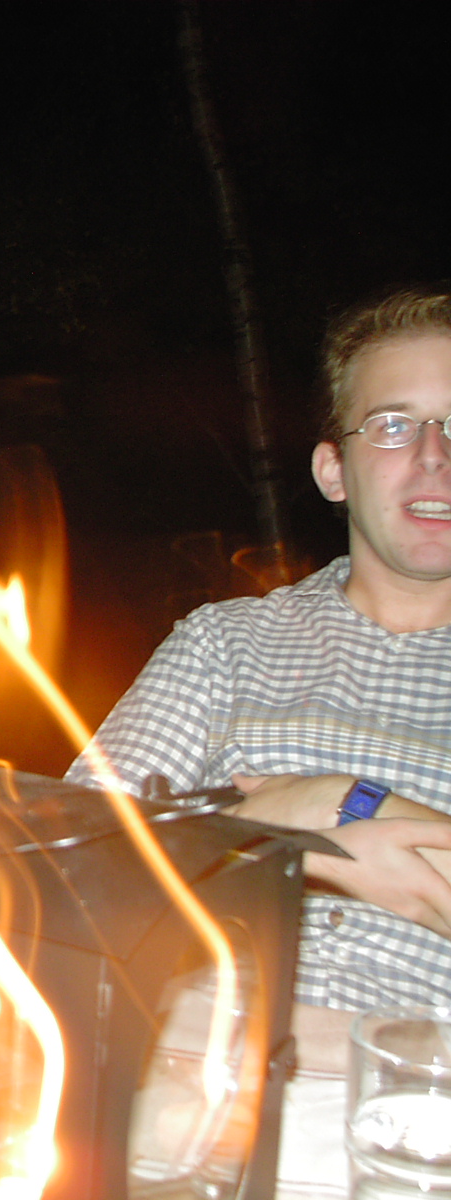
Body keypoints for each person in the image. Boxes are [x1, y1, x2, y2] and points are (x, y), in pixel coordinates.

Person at [66, 285, 451, 1010]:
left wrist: (348, 803)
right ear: (333, 471)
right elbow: (68, 870)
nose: (435, 455)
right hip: (200, 1044)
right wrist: (258, 834)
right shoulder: (225, 644)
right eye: (393, 425)